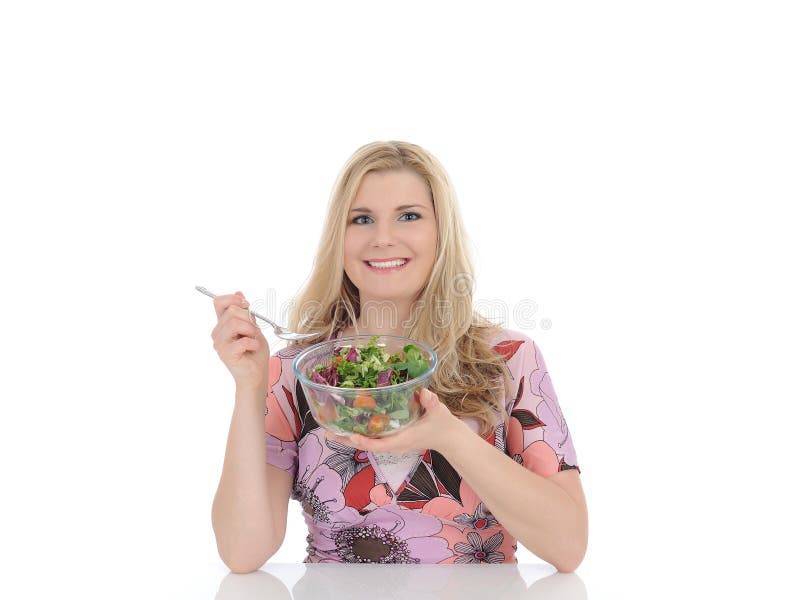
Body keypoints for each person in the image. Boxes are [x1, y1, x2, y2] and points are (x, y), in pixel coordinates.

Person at [209, 141, 587, 572]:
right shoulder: (298, 373)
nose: (383, 237)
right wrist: (249, 385)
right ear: (340, 238)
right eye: (362, 219)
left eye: (409, 216)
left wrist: (449, 436)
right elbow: (243, 553)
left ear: (440, 232)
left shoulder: (509, 359)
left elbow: (569, 546)